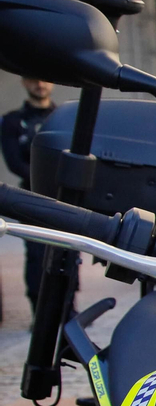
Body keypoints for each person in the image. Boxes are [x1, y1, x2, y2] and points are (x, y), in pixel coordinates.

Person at [0, 78, 66, 313]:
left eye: (45, 79)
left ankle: (67, 309)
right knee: (38, 254)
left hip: (65, 197)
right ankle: (39, 311)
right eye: (33, 79)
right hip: (31, 197)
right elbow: (15, 163)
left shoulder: (66, 118)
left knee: (68, 252)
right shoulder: (12, 121)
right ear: (24, 83)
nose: (40, 84)